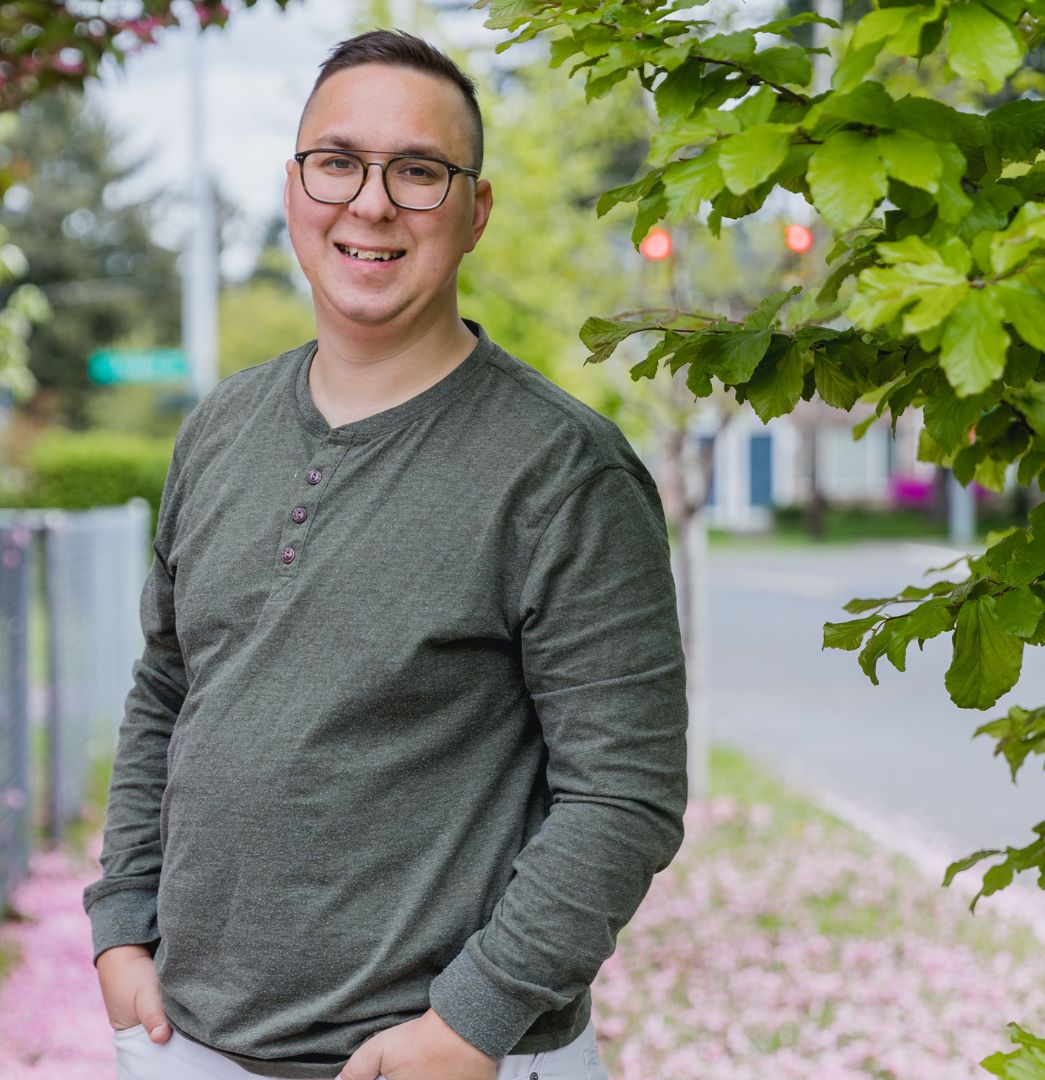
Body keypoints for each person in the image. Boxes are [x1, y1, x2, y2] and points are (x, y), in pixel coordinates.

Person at [83, 28, 688, 1080]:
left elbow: (623, 795)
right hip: (189, 1044)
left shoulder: (562, 472)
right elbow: (168, 689)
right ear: (294, 186)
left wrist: (472, 1024)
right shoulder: (220, 428)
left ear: (475, 210)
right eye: (338, 163)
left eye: (419, 171)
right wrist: (122, 924)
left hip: (434, 1060)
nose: (370, 204)